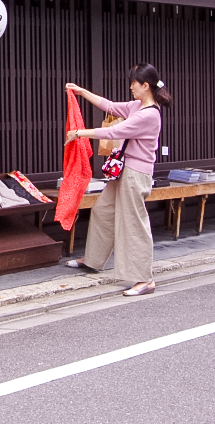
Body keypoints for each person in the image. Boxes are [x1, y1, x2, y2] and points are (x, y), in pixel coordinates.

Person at [62, 63, 173, 296]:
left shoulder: (149, 115)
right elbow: (109, 105)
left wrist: (79, 133)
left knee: (133, 224)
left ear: (146, 86)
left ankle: (145, 279)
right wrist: (82, 92)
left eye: (134, 83)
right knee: (103, 211)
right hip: (123, 171)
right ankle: (92, 259)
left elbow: (115, 132)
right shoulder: (137, 106)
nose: (131, 86)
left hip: (136, 174)